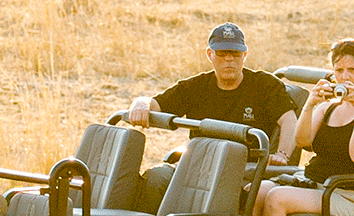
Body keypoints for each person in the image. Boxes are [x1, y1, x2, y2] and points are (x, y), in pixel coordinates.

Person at [251, 39, 354, 216]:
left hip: (345, 195)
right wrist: (310, 105)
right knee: (257, 190)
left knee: (277, 198)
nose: (345, 76)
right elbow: (301, 141)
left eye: (352, 69)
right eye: (339, 70)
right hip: (316, 184)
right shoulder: (330, 108)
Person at [126, 23, 298, 165]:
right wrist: (141, 103)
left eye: (235, 53)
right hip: (199, 164)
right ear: (210, 54)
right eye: (222, 53)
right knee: (157, 178)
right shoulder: (195, 86)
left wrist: (282, 155)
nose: (229, 59)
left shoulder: (265, 84)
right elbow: (156, 104)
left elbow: (289, 119)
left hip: (245, 169)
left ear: (244, 55)